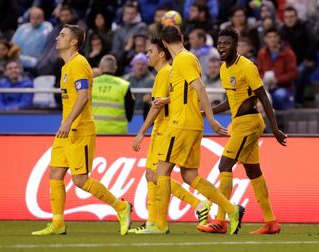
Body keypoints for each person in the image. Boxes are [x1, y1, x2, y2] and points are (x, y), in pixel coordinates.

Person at [31, 24, 132, 236]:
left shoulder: (78, 64)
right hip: (66, 130)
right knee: (55, 173)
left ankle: (121, 207)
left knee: (80, 181)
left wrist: (67, 123)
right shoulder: (66, 66)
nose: (57, 37)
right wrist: (65, 124)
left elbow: (83, 97)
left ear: (73, 42)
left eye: (62, 35)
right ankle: (58, 223)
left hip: (79, 130)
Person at [147, 25, 244, 235]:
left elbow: (199, 86)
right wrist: (167, 99)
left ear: (164, 43)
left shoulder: (183, 59)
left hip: (181, 123)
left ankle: (159, 225)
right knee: (190, 175)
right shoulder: (186, 60)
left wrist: (211, 118)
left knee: (160, 172)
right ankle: (232, 209)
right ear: (181, 37)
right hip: (190, 124)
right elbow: (186, 92)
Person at [197, 27, 287, 234]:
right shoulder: (224, 69)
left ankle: (220, 220)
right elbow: (231, 100)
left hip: (249, 122)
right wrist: (206, 112)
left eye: (227, 43)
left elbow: (263, 96)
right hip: (238, 122)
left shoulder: (247, 67)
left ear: (236, 46)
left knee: (225, 164)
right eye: (220, 44)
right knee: (253, 170)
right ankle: (271, 222)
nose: (222, 47)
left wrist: (275, 128)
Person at [129, 37, 211, 234]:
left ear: (161, 54)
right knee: (151, 175)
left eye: (150, 51)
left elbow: (156, 108)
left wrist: (141, 132)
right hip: (162, 129)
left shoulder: (165, 73)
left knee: (157, 175)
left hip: (167, 129)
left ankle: (196, 205)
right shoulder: (164, 73)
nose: (146, 54)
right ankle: (152, 221)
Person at [92, 54, 135, 134]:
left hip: (94, 132)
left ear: (100, 68)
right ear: (115, 68)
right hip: (118, 134)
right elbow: (129, 116)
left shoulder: (91, 84)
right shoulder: (124, 85)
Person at [257, 27, 297, 110]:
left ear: (279, 38)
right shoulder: (261, 53)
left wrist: (277, 80)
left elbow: (293, 74)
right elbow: (258, 72)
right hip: (266, 87)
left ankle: (283, 120)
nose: (272, 39)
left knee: (279, 95)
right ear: (265, 39)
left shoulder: (288, 53)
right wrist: (262, 79)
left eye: (275, 36)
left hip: (284, 88)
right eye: (269, 37)